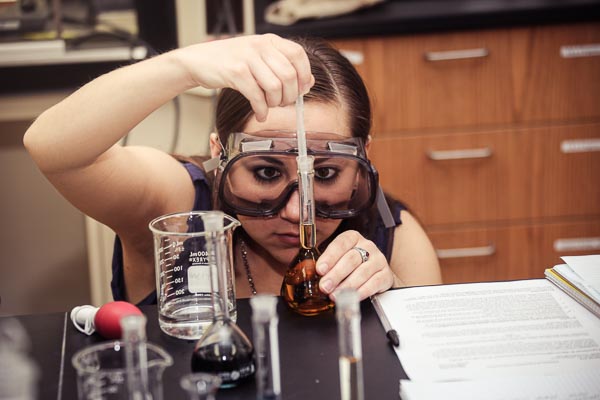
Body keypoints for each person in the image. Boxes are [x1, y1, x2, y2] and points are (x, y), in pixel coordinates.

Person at [24, 34, 442, 305]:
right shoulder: (177, 209)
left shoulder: (393, 239)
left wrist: (395, 299)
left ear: (364, 160)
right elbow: (54, 149)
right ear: (218, 155)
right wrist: (183, 67)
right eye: (266, 172)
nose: (298, 212)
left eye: (327, 175)